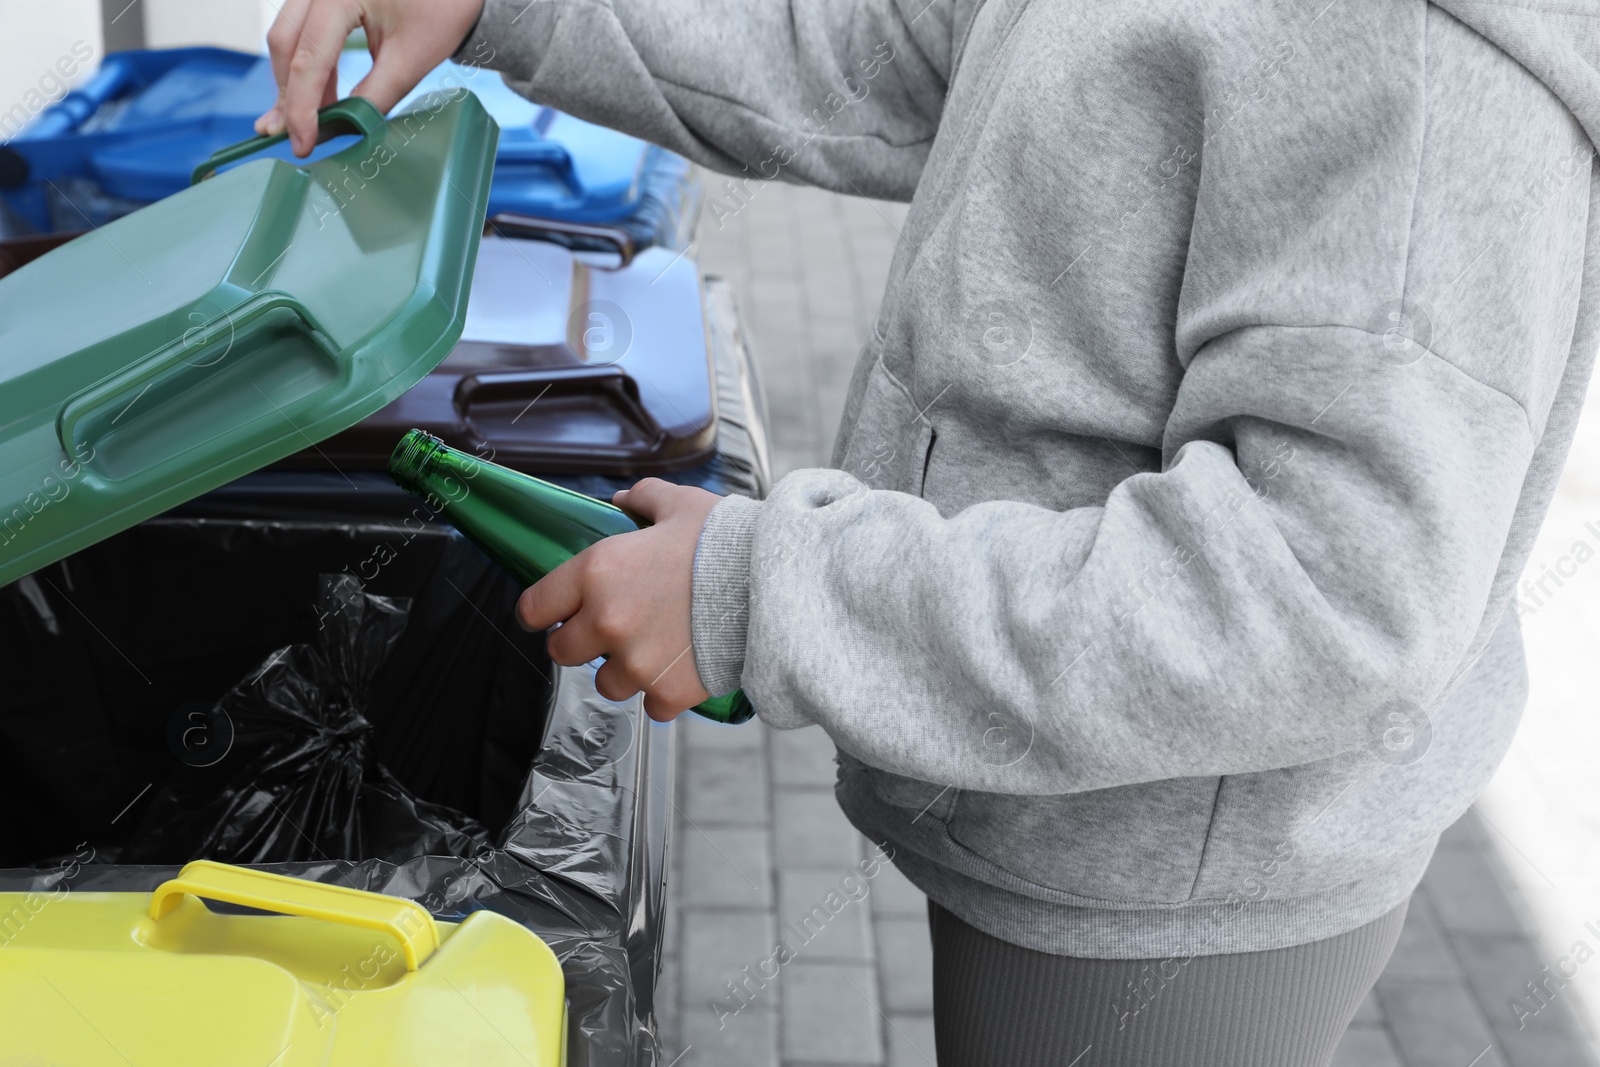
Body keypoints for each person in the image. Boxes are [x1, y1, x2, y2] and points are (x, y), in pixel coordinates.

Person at [261, 2, 1599, 1062]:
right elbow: (886, 42)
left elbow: (1328, 599)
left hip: (1167, 912)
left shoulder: (1416, 63)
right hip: (1059, 810)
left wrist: (763, 595)